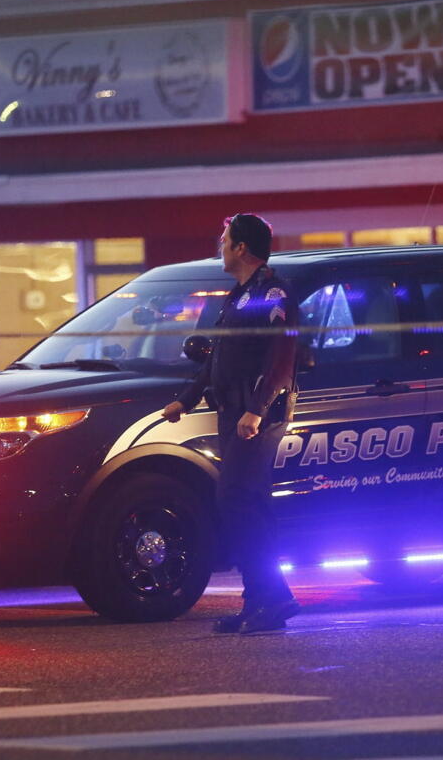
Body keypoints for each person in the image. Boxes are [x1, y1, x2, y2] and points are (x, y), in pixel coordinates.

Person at [160, 213, 301, 634]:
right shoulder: (239, 295)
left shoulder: (272, 292)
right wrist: (183, 401)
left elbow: (282, 356)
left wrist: (257, 409)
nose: (219, 246)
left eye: (224, 240)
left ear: (241, 247)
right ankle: (258, 602)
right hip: (234, 413)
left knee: (240, 501)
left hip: (256, 414)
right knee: (243, 503)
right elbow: (218, 359)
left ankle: (273, 598)